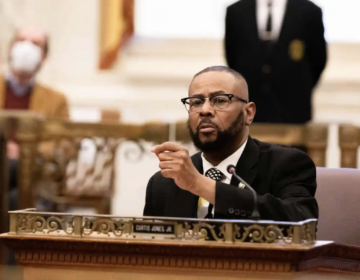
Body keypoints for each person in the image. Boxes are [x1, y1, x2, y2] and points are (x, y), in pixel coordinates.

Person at [143, 66, 318, 221]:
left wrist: (200, 184)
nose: (205, 110)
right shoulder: (163, 183)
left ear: (248, 113)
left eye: (220, 100)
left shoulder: (286, 164)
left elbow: (301, 223)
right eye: (196, 102)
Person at [224, 0, 327, 124]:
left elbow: (318, 59)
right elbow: (232, 58)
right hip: (249, 113)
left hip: (294, 113)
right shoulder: (236, 11)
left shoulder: (310, 11)